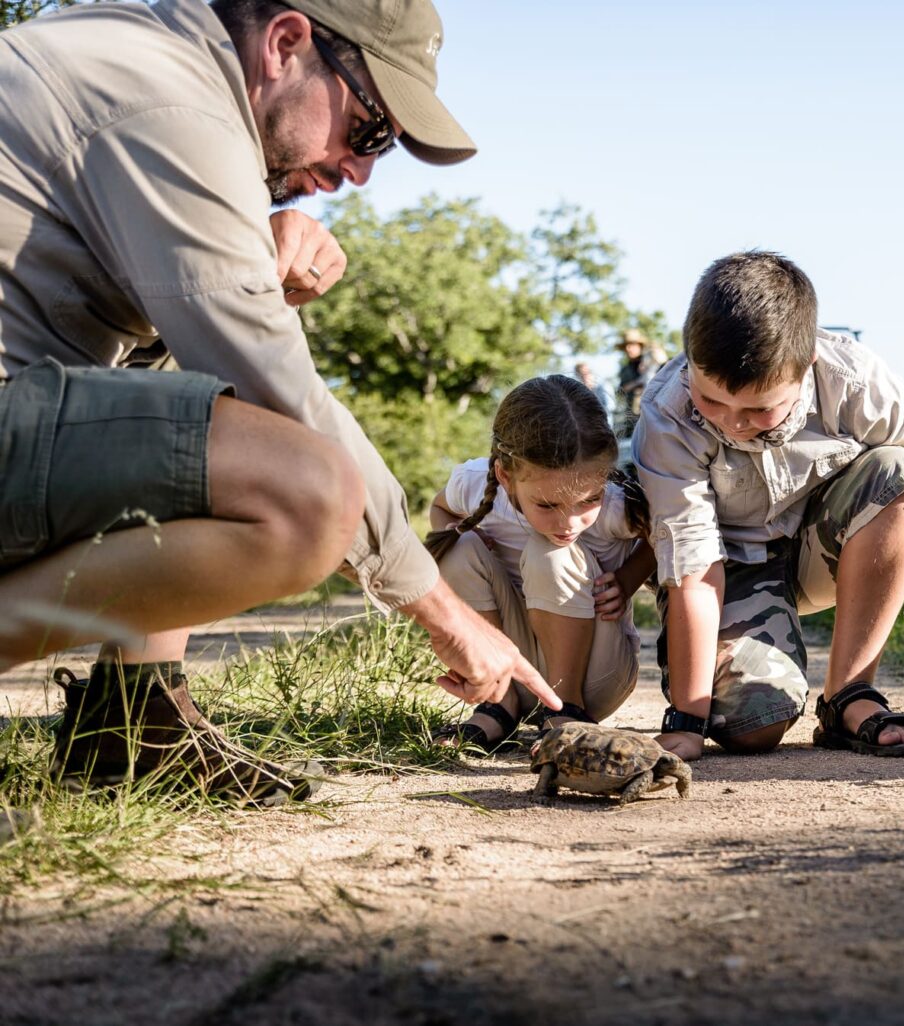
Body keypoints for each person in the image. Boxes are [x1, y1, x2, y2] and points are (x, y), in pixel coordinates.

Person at [0, 0, 556, 806]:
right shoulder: (171, 105)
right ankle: (131, 717)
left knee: (219, 423)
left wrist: (252, 254)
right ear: (287, 43)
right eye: (368, 131)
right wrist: (445, 613)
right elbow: (278, 391)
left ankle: (134, 719)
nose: (360, 170)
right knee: (308, 494)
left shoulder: (126, 51)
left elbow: (144, 377)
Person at [632, 251, 904, 762]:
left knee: (902, 469)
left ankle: (849, 695)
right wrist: (687, 720)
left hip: (826, 554)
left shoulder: (858, 383)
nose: (734, 423)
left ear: (806, 366)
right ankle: (751, 674)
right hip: (730, 570)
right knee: (751, 724)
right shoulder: (667, 416)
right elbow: (694, 568)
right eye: (713, 402)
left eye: (759, 408)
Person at [425, 375, 654, 750]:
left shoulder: (616, 507)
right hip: (515, 669)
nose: (569, 522)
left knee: (549, 549)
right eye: (547, 505)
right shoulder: (474, 483)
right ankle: (498, 702)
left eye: (587, 501)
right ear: (504, 475)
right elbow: (440, 508)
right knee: (456, 544)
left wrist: (628, 579)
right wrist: (463, 532)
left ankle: (567, 710)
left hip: (597, 676)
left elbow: (662, 537)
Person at [613, 328, 655, 438]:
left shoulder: (651, 363)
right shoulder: (625, 369)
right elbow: (621, 390)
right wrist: (638, 382)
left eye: (631, 344)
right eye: (626, 346)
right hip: (632, 417)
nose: (628, 348)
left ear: (639, 346)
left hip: (653, 415)